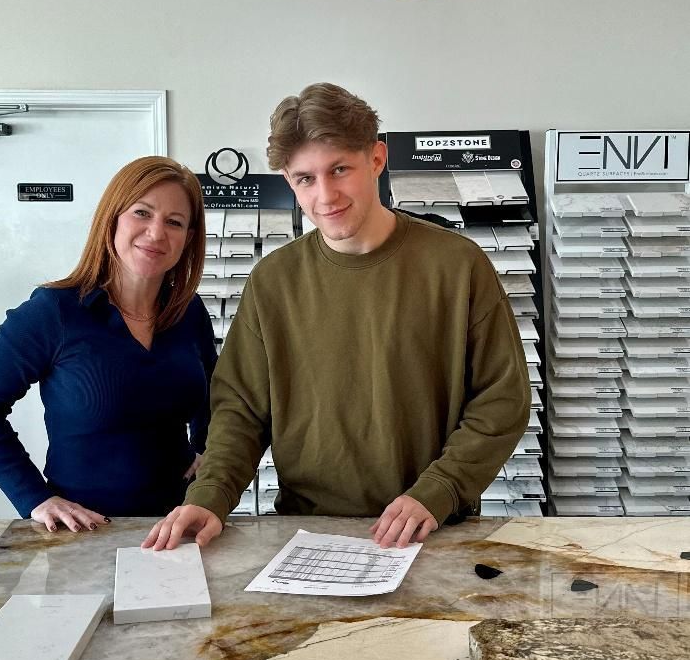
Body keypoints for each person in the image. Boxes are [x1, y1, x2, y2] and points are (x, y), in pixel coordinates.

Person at [143, 84, 531, 553]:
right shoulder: (274, 281)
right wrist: (210, 497)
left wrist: (439, 490)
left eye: (339, 169)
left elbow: (502, 399)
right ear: (289, 180)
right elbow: (240, 411)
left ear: (376, 159)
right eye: (305, 178)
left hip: (433, 528)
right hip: (307, 533)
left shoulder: (457, 265)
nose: (325, 195)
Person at [0, 156, 217, 532]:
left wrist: (206, 450)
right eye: (142, 213)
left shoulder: (188, 311)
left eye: (174, 222)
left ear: (188, 238)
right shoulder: (55, 311)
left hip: (177, 525)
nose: (156, 233)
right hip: (85, 531)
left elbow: (213, 393)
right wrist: (35, 498)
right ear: (112, 219)